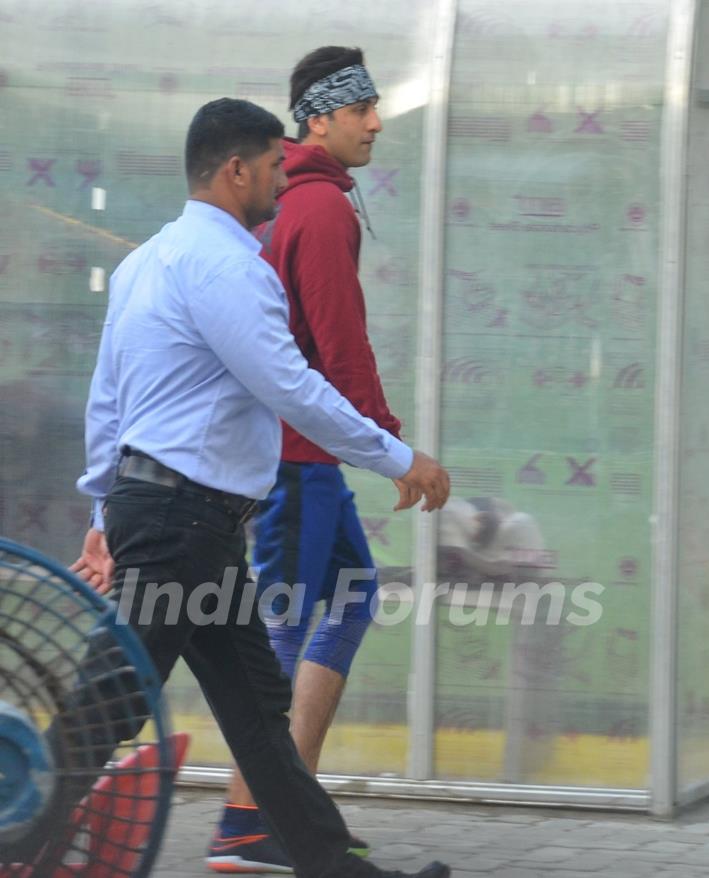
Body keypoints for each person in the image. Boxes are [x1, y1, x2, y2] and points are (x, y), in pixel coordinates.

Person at [67, 97, 451, 878]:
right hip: (182, 521)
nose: (284, 177)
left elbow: (108, 401)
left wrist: (105, 510)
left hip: (186, 522)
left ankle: (335, 866)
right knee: (111, 701)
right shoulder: (230, 265)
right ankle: (17, 822)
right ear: (236, 170)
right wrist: (397, 457)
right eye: (276, 165)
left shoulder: (147, 260)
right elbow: (289, 385)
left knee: (258, 713)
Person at [208, 46, 405, 874]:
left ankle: (294, 809)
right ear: (319, 117)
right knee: (282, 630)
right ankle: (248, 824)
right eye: (362, 107)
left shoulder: (303, 199)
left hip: (308, 452)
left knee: (352, 599)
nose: (377, 121)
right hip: (297, 456)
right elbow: (337, 340)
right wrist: (391, 445)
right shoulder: (319, 209)